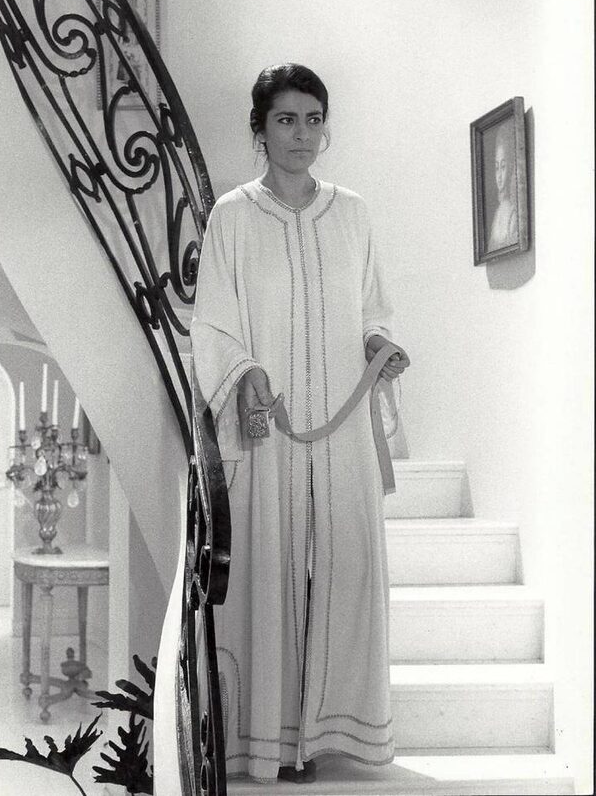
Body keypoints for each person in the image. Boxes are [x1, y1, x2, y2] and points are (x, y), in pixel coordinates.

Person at [190, 63, 410, 784]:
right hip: (270, 427)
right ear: (260, 129)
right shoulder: (232, 217)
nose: (302, 134)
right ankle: (272, 741)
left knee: (349, 567)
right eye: (286, 119)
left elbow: (373, 307)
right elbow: (213, 323)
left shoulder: (353, 213)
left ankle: (334, 732)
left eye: (314, 119)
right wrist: (244, 370)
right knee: (269, 570)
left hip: (343, 431)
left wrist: (378, 344)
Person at [486, 121, 518, 252]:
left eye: (503, 167)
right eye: (497, 168)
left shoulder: (513, 214)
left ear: (510, 168)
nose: (499, 176)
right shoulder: (497, 214)